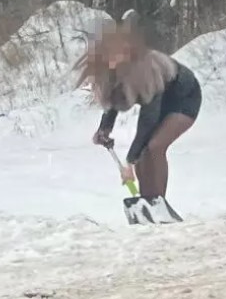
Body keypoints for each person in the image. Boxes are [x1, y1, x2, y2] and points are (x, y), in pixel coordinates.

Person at [74, 12, 202, 214]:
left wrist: (129, 161)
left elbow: (148, 119)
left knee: (154, 146)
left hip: (184, 97)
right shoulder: (107, 71)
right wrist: (104, 129)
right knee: (143, 152)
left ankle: (158, 204)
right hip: (159, 101)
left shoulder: (144, 67)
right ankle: (146, 203)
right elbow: (112, 103)